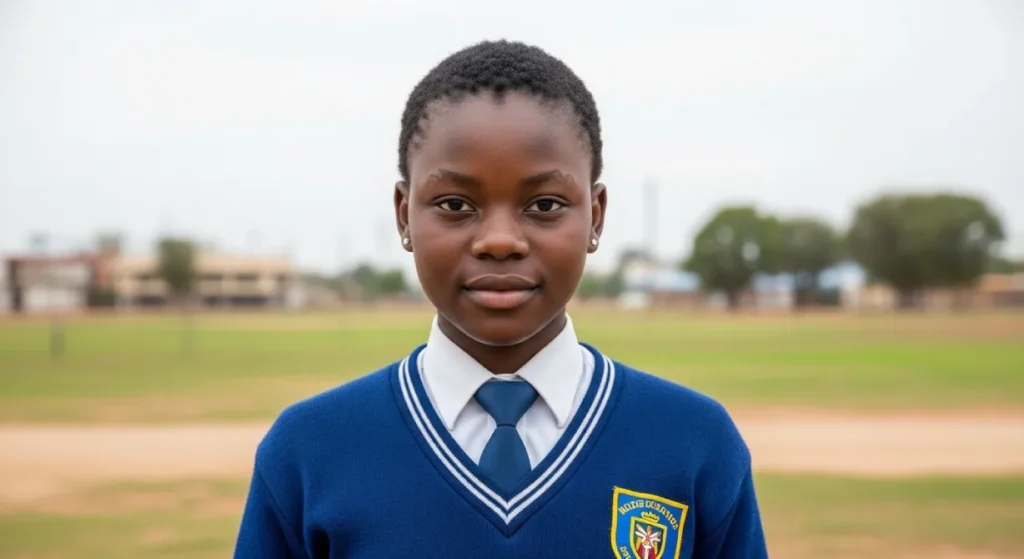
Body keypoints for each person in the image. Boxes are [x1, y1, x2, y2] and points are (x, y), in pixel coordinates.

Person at [233, 39, 768, 558]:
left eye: (544, 203)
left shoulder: (693, 445)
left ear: (596, 217)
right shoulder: (309, 451)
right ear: (403, 215)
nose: (499, 240)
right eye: (454, 204)